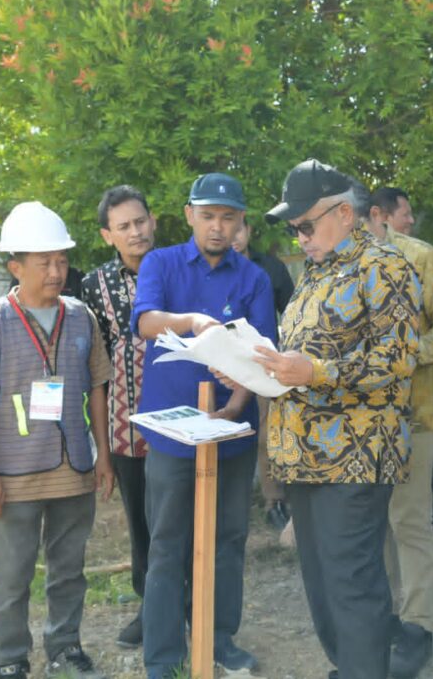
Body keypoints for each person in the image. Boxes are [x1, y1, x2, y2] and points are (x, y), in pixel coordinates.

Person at [258, 158, 421, 679]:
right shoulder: (315, 273)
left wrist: (314, 371)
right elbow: (298, 357)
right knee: (321, 583)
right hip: (302, 453)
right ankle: (349, 667)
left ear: (344, 214)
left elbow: (396, 361)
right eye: (294, 228)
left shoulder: (384, 267)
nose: (299, 236)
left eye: (306, 224)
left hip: (355, 455)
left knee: (353, 583)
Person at [0, 202, 114, 679]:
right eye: (44, 262)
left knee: (70, 569)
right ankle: (9, 657)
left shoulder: (81, 316)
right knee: (12, 576)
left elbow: (98, 389)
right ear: (15, 267)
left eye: (62, 260)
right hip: (13, 474)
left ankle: (65, 646)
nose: (56, 271)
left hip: (73, 471)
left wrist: (103, 457)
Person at [131, 173, 276, 679]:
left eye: (228, 217)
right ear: (190, 214)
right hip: (173, 433)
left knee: (229, 538)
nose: (218, 227)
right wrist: (192, 320)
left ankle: (218, 640)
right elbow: (146, 321)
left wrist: (235, 406)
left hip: (231, 433)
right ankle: (164, 655)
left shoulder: (252, 278)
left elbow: (262, 355)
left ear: (241, 222)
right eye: (209, 215)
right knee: (168, 541)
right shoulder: (162, 262)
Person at [365, 185, 433, 677]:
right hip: (354, 424)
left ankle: (417, 626)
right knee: (370, 526)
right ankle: (380, 621)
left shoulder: (421, 258)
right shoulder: (333, 268)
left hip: (413, 415)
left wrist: (404, 358)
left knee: (409, 521)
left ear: (374, 216)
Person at [80, 184, 156, 649]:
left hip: (184, 422)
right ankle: (150, 607)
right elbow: (98, 368)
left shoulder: (178, 267)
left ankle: (193, 607)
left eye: (141, 221)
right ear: (108, 235)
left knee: (184, 518)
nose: (135, 232)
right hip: (127, 426)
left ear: (154, 221)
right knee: (141, 521)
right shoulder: (94, 284)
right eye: (124, 226)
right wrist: (103, 450)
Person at [231, 214, 296, 531]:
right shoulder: (212, 270)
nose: (232, 235)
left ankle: (277, 501)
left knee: (268, 436)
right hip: (223, 366)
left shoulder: (270, 268)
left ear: (248, 230)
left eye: (238, 228)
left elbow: (294, 314)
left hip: (265, 364)